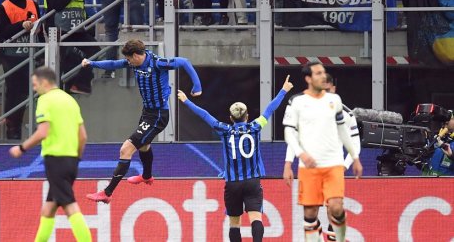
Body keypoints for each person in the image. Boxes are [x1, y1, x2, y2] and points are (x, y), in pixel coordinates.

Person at [82, 39, 202, 203]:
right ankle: (146, 176)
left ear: (137, 55)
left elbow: (184, 62)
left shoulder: (158, 63)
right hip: (147, 113)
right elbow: (113, 64)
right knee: (144, 145)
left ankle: (107, 193)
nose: (129, 62)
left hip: (158, 115)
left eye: (130, 58)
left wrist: (197, 86)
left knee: (126, 149)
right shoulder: (133, 63)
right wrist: (92, 63)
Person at [178, 75, 293, 242]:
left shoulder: (224, 129)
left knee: (234, 223)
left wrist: (186, 101)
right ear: (247, 116)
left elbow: (204, 115)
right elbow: (270, 109)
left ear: (231, 118)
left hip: (232, 183)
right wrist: (283, 90)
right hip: (252, 181)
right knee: (256, 218)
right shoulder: (255, 126)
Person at [283, 62, 363, 242]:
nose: (323, 76)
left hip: (333, 163)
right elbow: (291, 133)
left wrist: (353, 159)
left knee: (335, 207)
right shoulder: (297, 102)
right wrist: (291, 161)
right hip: (308, 166)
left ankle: (339, 239)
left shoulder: (336, 102)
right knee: (310, 213)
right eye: (318, 73)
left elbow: (344, 132)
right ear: (308, 79)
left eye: (324, 73)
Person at [9, 67, 91, 242]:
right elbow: (83, 136)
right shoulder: (70, 100)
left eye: (35, 84)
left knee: (70, 206)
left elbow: (43, 132)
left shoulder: (45, 100)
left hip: (55, 159)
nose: (34, 88)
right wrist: (76, 158)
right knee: (48, 209)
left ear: (44, 82)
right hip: (71, 160)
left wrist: (21, 148)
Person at [43, 0, 99, 95]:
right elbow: (56, 5)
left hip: (77, 27)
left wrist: (87, 23)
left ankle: (81, 84)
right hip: (58, 28)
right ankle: (61, 90)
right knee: (63, 59)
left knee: (95, 50)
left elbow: (81, 5)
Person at [0, 0, 43, 139]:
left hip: (32, 54)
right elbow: (2, 31)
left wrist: (43, 49)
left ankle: (40, 129)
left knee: (33, 91)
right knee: (15, 93)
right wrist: (20, 26)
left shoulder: (33, 4)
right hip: (11, 57)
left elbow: (40, 28)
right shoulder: (4, 7)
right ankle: (13, 128)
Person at [422, 110, 454, 176]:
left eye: (449, 118)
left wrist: (451, 156)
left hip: (447, 184)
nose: (445, 120)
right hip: (427, 183)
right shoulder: (433, 139)